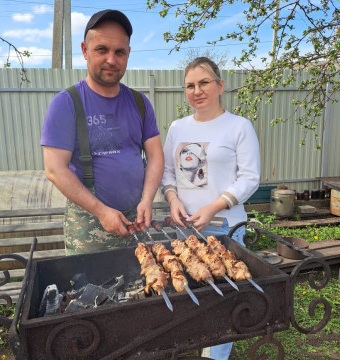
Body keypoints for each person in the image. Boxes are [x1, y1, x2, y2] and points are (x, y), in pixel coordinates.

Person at [40, 9, 164, 255]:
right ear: (85, 51)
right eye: (102, 50)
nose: (111, 59)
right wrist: (101, 211)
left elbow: (156, 156)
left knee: (140, 289)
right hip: (90, 226)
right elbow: (54, 170)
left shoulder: (140, 103)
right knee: (87, 291)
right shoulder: (66, 103)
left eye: (120, 52)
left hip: (136, 224)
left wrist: (147, 199)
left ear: (128, 54)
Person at [160, 57, 260, 359]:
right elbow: (167, 172)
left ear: (220, 85)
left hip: (225, 229)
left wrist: (215, 205)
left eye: (204, 82)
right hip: (186, 232)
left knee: (221, 307)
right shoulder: (178, 128)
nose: (197, 90)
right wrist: (174, 200)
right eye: (190, 85)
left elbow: (250, 177)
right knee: (190, 303)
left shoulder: (239, 127)